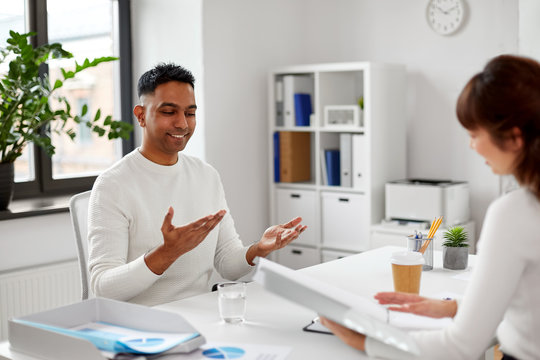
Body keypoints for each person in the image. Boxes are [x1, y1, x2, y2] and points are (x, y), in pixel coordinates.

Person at [321, 54, 540, 360]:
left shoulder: (514, 213)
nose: (472, 146)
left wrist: (362, 340)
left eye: (475, 134)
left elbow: (460, 348)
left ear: (515, 138)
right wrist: (454, 308)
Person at [87, 63, 306, 306]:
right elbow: (103, 287)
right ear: (141, 115)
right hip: (142, 328)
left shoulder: (206, 175)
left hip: (202, 315)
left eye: (190, 113)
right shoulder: (113, 185)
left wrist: (258, 249)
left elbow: (228, 263)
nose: (182, 124)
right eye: (169, 112)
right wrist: (167, 253)